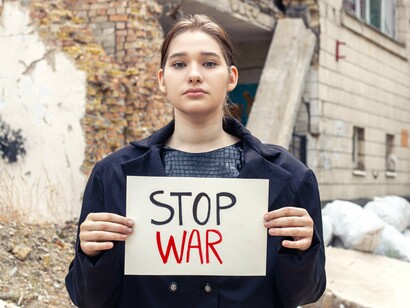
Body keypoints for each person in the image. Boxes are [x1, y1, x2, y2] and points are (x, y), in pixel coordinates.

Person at [65, 14, 326, 308]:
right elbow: (87, 298)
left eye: (209, 63)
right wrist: (90, 254)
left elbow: (304, 295)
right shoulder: (111, 176)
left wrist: (304, 249)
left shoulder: (291, 177)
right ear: (162, 80)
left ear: (232, 78)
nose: (194, 74)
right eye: (179, 64)